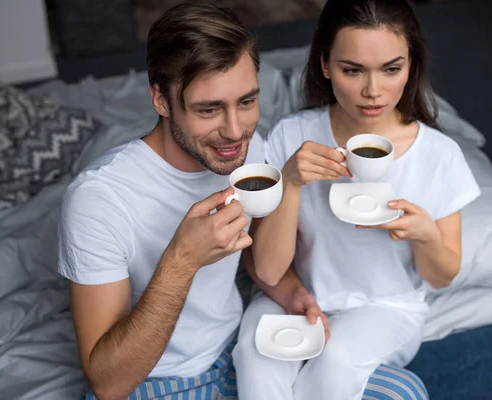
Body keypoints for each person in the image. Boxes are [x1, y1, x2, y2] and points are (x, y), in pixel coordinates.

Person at [58, 1, 431, 399]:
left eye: (247, 102)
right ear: (161, 100)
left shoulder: (251, 158)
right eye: (209, 109)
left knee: (405, 393)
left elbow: (254, 244)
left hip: (239, 352)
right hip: (157, 381)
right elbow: (108, 382)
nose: (235, 131)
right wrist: (181, 261)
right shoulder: (99, 200)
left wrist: (291, 293)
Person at [233, 0, 480, 399]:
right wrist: (291, 182)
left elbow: (442, 275)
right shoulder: (290, 137)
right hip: (294, 295)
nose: (372, 91)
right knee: (255, 354)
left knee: (337, 358)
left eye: (391, 69)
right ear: (325, 66)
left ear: (411, 65)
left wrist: (425, 235)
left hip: (385, 309)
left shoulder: (439, 154)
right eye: (352, 70)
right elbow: (268, 268)